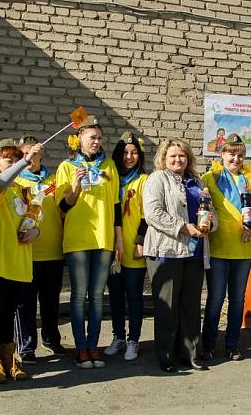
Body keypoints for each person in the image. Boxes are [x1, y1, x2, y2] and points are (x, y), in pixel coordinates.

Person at [143, 138, 215, 373]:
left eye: (182, 155)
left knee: (191, 306)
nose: (178, 159)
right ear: (164, 158)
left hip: (194, 252)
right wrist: (184, 228)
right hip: (166, 251)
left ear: (188, 158)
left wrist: (210, 224)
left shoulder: (197, 182)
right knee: (168, 308)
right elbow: (153, 213)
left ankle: (191, 354)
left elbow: (211, 211)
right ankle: (167, 357)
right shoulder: (157, 179)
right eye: (173, 155)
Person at [55, 116, 120, 369]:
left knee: (97, 295)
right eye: (92, 137)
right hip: (78, 238)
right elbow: (63, 206)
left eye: (100, 138)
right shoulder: (66, 166)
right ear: (79, 138)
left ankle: (94, 346)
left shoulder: (109, 166)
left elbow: (115, 206)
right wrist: (75, 185)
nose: (96, 142)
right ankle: (80, 348)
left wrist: (118, 240)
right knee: (79, 295)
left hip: (103, 237)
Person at [0, 138, 42, 383]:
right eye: (8, 160)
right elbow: (0, 185)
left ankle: (8, 358)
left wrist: (35, 231)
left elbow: (34, 219)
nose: (14, 163)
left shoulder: (24, 190)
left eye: (16, 159)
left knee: (9, 313)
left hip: (19, 262)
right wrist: (25, 161)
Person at [200, 135, 251, 361]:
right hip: (218, 248)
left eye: (240, 155)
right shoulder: (209, 178)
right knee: (215, 299)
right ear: (222, 154)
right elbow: (203, 208)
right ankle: (208, 344)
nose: (236, 159)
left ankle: (232, 345)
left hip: (243, 250)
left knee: (237, 299)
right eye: (231, 154)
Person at [13, 135, 65, 365]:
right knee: (25, 303)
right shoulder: (15, 181)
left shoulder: (54, 180)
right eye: (24, 154)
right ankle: (26, 346)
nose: (29, 158)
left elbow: (64, 209)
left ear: (41, 153)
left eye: (33, 153)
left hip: (53, 251)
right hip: (26, 251)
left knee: (51, 301)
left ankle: (51, 339)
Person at [104, 132, 148, 361]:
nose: (129, 157)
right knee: (115, 296)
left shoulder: (144, 180)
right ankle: (118, 336)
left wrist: (140, 242)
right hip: (112, 247)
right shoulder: (111, 179)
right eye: (125, 153)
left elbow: (147, 216)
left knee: (134, 296)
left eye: (134, 153)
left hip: (133, 247)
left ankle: (134, 340)